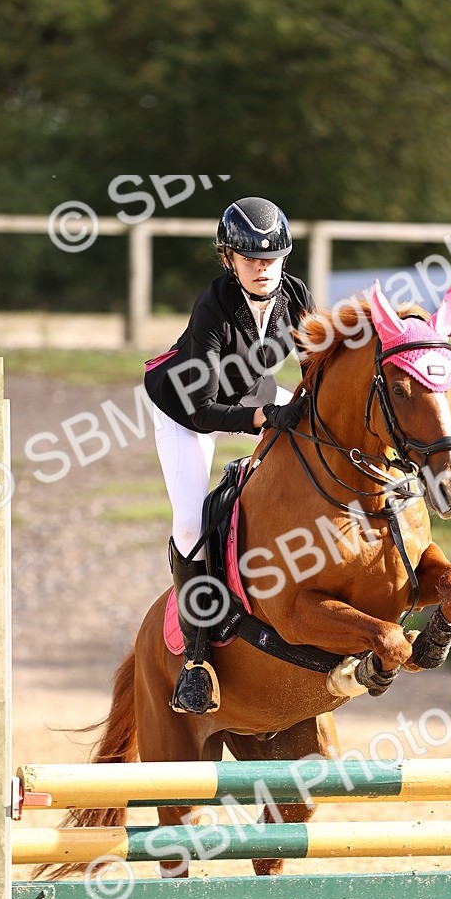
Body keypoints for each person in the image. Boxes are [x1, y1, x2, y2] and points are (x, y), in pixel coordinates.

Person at [144, 196, 313, 714]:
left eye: (272, 258)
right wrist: (263, 418)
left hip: (247, 390)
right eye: (250, 259)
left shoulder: (295, 295)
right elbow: (200, 408)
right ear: (228, 259)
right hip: (183, 406)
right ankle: (196, 662)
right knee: (192, 525)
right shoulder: (213, 306)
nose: (263, 268)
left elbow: (314, 366)